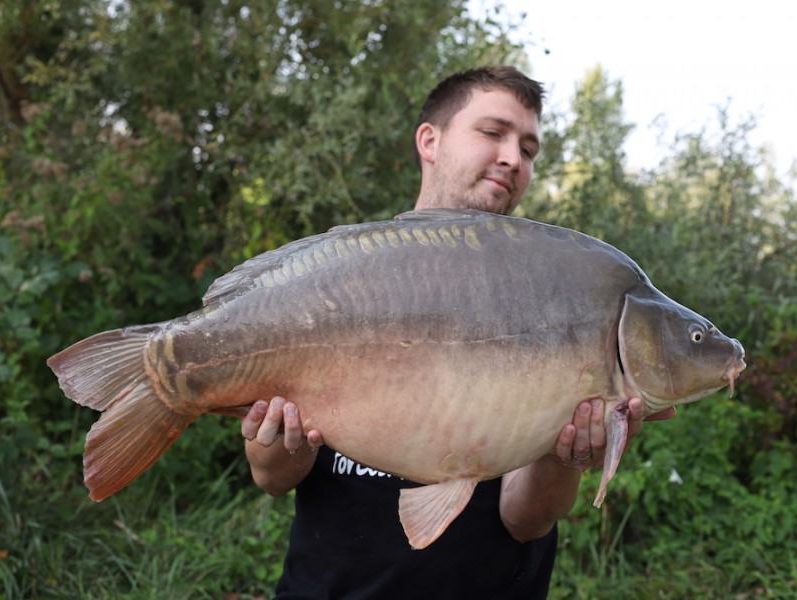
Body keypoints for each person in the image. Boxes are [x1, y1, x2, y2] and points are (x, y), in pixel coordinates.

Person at [241, 65, 674, 599]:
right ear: (430, 139)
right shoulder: (343, 276)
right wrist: (280, 439)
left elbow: (525, 519)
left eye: (530, 149)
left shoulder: (551, 289)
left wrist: (568, 457)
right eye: (493, 133)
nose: (514, 158)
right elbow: (272, 478)